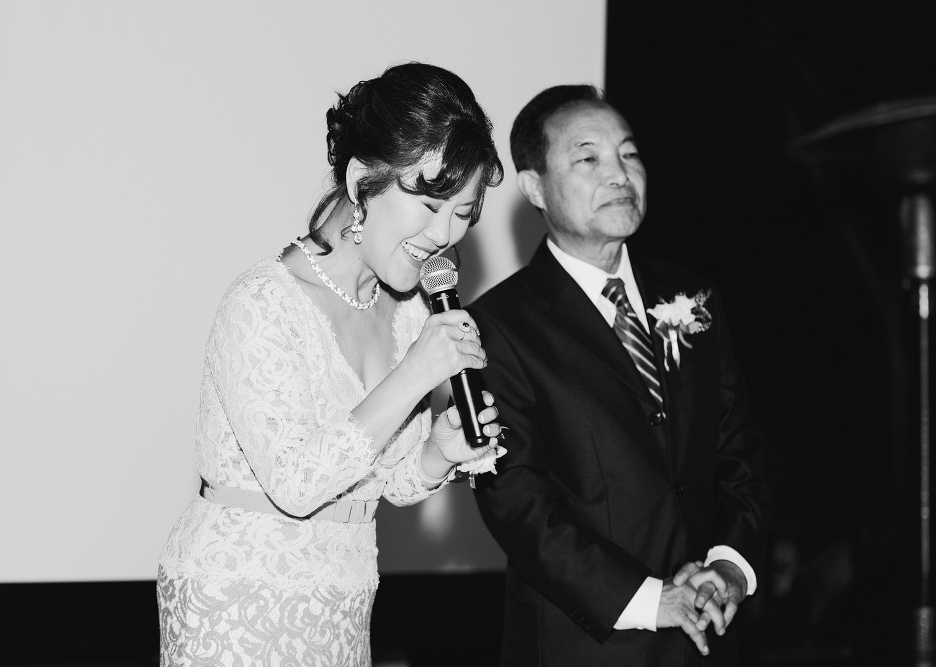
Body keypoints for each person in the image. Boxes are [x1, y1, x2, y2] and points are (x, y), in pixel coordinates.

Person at [157, 62, 506, 666]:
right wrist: (415, 375)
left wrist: (436, 453)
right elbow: (296, 484)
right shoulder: (262, 302)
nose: (446, 233)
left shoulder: (406, 315)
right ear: (362, 179)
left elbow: (385, 479)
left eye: (464, 213)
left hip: (342, 601)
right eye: (430, 204)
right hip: (238, 599)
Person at [469, 85, 771, 666]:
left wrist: (729, 569)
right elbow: (517, 501)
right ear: (534, 186)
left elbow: (738, 456)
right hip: (582, 644)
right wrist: (652, 600)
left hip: (704, 638)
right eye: (589, 158)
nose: (619, 174)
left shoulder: (692, 296)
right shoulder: (498, 326)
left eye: (629, 154)